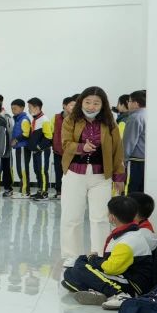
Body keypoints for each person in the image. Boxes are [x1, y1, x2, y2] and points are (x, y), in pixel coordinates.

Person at [59, 86, 126, 268]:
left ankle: (99, 254)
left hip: (101, 177)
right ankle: (72, 255)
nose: (91, 106)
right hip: (74, 174)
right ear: (81, 102)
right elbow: (65, 144)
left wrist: (119, 176)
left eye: (96, 103)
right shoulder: (70, 120)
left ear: (102, 105)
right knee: (71, 216)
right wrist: (82, 147)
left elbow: (118, 150)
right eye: (87, 102)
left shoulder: (110, 123)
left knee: (100, 218)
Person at [61, 196, 154, 310]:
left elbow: (111, 268)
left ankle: (119, 295)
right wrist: (92, 259)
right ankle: (99, 292)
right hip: (124, 275)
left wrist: (93, 259)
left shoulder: (127, 241)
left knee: (80, 267)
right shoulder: (130, 233)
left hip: (133, 285)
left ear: (112, 217)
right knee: (71, 271)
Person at [27, 98, 54, 201]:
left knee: (42, 171)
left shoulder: (44, 120)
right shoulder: (35, 119)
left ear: (37, 108)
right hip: (36, 151)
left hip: (42, 151)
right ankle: (40, 190)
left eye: (30, 107)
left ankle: (44, 193)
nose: (29, 110)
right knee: (37, 170)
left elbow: (48, 137)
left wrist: (39, 147)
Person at [53, 96, 76, 199]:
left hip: (71, 152)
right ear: (64, 106)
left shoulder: (77, 119)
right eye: (71, 105)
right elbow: (51, 132)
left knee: (71, 173)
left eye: (75, 105)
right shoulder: (56, 117)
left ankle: (70, 192)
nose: (73, 107)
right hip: (58, 151)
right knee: (58, 172)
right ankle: (59, 191)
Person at [124, 90, 147, 194]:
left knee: (132, 191)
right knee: (142, 191)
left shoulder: (135, 117)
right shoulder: (148, 114)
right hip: (146, 160)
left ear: (136, 103)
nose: (128, 104)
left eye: (129, 101)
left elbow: (129, 142)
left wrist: (123, 161)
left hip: (135, 161)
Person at [9, 99, 31, 199]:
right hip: (19, 147)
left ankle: (25, 192)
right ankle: (23, 190)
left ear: (22, 108)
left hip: (23, 147)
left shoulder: (24, 119)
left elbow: (26, 134)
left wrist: (16, 140)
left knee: (23, 170)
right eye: (12, 109)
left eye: (15, 108)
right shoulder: (18, 119)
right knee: (20, 169)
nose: (13, 110)